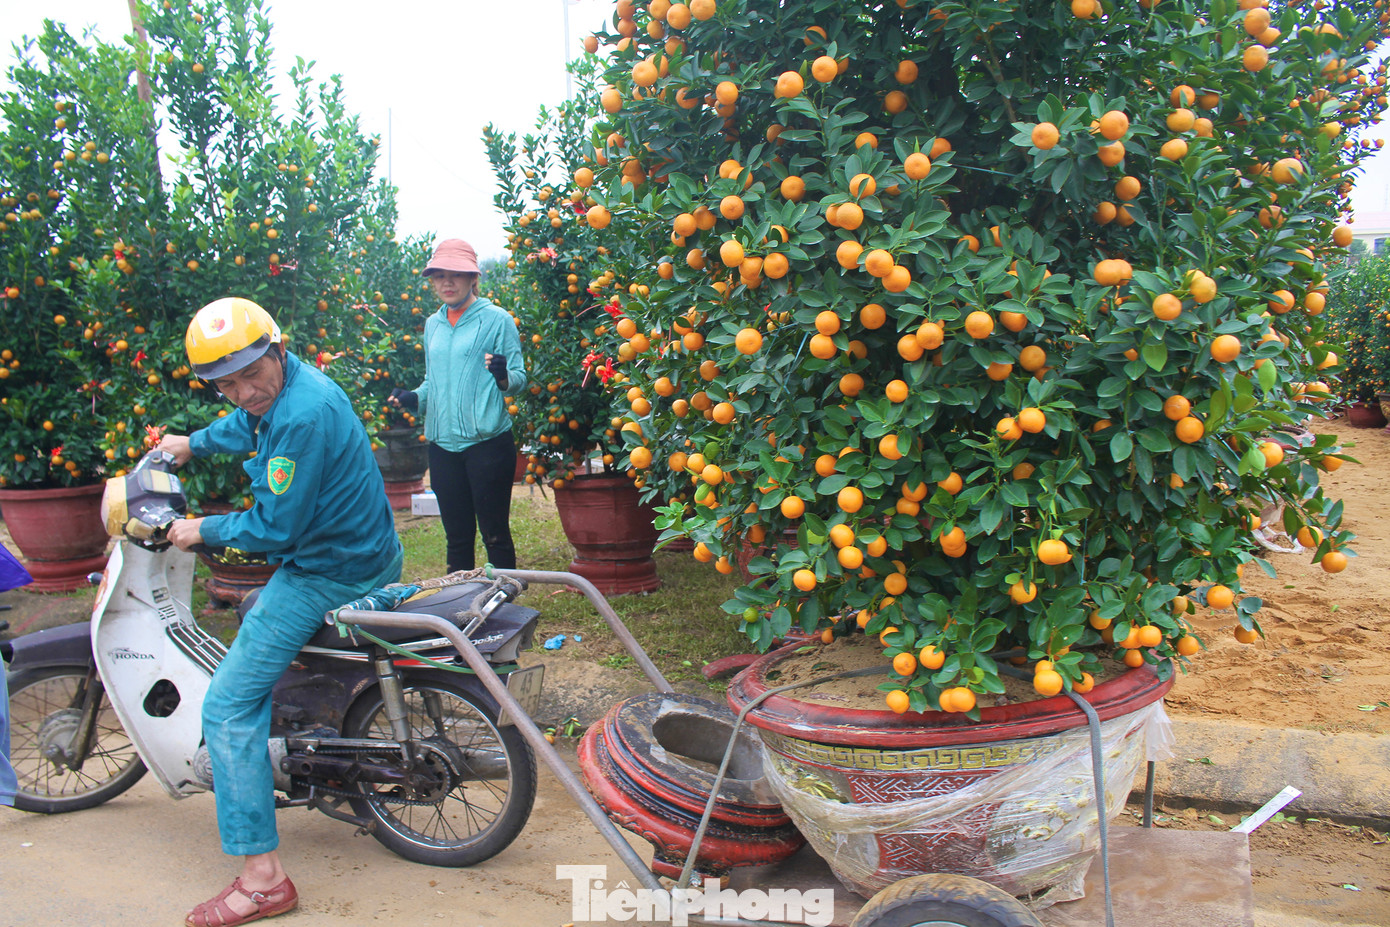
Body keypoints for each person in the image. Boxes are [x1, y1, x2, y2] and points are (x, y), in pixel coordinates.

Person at [157, 297, 403, 927]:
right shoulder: (287, 394)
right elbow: (246, 426)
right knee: (257, 613)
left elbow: (273, 525)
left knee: (229, 705)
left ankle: (263, 880)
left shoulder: (301, 414)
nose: (243, 391)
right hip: (368, 551)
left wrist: (198, 530)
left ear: (279, 351)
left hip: (327, 569)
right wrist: (190, 444)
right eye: (226, 383)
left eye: (251, 373)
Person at [389, 238, 526, 573]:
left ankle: (505, 606)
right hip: (442, 447)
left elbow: (519, 379)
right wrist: (413, 398)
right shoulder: (432, 325)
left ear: (473, 278)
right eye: (439, 275)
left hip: (488, 445)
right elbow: (431, 382)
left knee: (495, 535)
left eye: (456, 274)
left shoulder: (497, 320)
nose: (446, 282)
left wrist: (502, 375)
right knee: (457, 538)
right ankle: (460, 610)